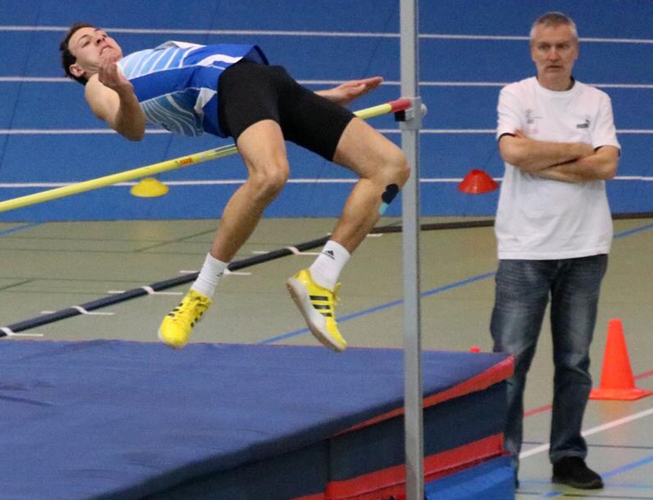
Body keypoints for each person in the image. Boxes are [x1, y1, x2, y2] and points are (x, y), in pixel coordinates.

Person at [59, 23, 409, 351]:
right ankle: (200, 292)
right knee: (270, 175)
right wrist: (120, 88)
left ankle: (321, 277)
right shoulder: (98, 86)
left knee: (391, 166)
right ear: (77, 69)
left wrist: (325, 99)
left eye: (101, 33)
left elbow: (255, 101)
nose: (100, 38)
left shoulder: (150, 56)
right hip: (228, 85)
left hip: (266, 79)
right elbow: (131, 130)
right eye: (86, 43)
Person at [491, 12, 619, 490]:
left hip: (586, 249)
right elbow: (513, 154)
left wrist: (542, 157)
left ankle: (567, 456)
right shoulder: (516, 95)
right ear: (532, 51)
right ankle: (502, 461)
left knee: (574, 362)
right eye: (544, 47)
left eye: (562, 46)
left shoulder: (597, 100)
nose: (553, 55)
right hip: (524, 249)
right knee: (510, 362)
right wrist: (576, 148)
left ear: (576, 50)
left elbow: (606, 165)